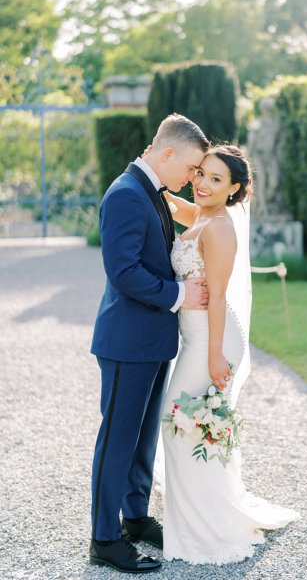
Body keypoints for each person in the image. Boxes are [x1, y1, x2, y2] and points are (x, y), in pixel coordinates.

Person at [161, 144, 301, 565]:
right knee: (188, 429)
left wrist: (215, 358)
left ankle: (209, 525)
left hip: (211, 342)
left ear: (234, 188)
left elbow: (218, 296)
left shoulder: (220, 228)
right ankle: (197, 516)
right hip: (198, 338)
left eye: (216, 179)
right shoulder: (202, 214)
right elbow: (178, 207)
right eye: (201, 173)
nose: (203, 183)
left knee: (180, 425)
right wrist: (154, 176)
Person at [89, 114, 210, 574]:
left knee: (142, 442)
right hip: (126, 342)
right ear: (166, 154)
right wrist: (180, 295)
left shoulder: (152, 191)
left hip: (154, 341)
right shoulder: (124, 194)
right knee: (117, 441)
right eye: (192, 167)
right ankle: (104, 538)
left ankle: (136, 518)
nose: (192, 178)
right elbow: (122, 272)